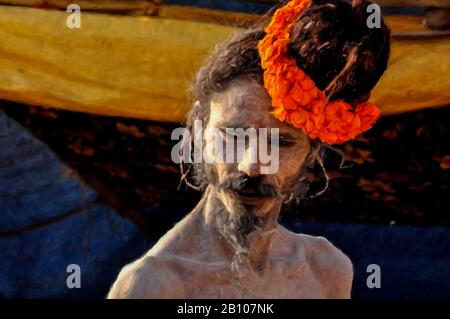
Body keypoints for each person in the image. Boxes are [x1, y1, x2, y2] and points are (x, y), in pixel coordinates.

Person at [108, 0, 390, 299]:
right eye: (233, 135)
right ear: (198, 130)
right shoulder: (155, 286)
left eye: (282, 142)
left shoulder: (324, 271)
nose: (252, 166)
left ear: (313, 153)